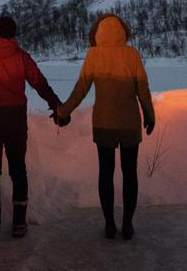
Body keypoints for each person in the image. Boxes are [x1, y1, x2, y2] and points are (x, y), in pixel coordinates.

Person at [0, 15, 64, 241]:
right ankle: (19, 223)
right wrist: (56, 105)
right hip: (16, 119)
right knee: (18, 169)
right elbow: (39, 82)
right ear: (14, 33)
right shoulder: (20, 56)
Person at [58, 14, 155, 240]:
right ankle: (128, 225)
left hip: (104, 124)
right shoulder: (132, 54)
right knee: (130, 174)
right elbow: (143, 88)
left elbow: (81, 88)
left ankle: (110, 224)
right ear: (123, 31)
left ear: (97, 33)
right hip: (130, 123)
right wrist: (150, 115)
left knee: (106, 174)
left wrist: (64, 112)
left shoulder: (94, 55)